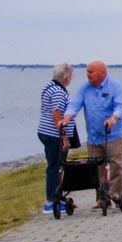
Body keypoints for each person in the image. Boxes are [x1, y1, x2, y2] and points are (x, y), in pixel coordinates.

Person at [64, 61, 122, 211]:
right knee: (96, 168)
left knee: (116, 165)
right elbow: (74, 105)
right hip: (93, 136)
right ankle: (102, 198)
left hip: (113, 135)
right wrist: (66, 119)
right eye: (87, 71)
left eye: (91, 71)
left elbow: (120, 106)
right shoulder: (85, 88)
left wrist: (113, 119)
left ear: (102, 73)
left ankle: (116, 195)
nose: (88, 74)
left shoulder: (115, 86)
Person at [37, 64, 75, 213]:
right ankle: (52, 201)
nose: (71, 78)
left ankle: (56, 198)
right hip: (54, 135)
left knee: (55, 165)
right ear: (67, 78)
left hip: (46, 131)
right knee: (55, 166)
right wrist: (64, 138)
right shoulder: (59, 92)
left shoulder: (49, 87)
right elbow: (56, 116)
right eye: (71, 76)